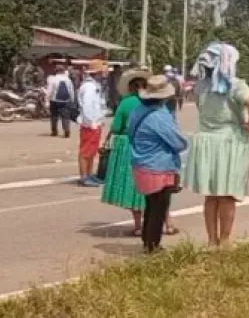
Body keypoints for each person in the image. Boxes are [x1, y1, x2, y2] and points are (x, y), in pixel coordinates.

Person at [185, 42, 249, 249]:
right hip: (228, 142)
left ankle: (212, 240)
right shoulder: (235, 85)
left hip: (206, 140)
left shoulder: (200, 86)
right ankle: (225, 240)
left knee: (211, 195)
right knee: (227, 194)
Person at [101, 68, 180, 237]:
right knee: (159, 195)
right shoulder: (160, 108)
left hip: (130, 147)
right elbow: (174, 135)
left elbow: (116, 127)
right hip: (159, 155)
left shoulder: (126, 103)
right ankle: (168, 223)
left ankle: (138, 226)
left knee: (134, 191)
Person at [128, 75, 188, 254]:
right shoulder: (159, 116)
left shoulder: (138, 110)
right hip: (159, 166)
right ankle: (153, 246)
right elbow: (178, 142)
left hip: (142, 163)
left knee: (150, 206)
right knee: (159, 209)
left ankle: (147, 241)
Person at [76, 59, 107, 187]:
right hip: (90, 124)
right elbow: (87, 107)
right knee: (86, 151)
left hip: (95, 123)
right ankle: (84, 176)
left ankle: (89, 174)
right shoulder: (89, 87)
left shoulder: (95, 85)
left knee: (92, 151)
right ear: (97, 72)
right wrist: (92, 122)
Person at [46, 65, 75, 138]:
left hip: (54, 101)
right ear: (63, 71)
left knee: (54, 116)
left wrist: (47, 100)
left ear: (56, 71)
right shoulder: (68, 80)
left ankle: (54, 131)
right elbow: (71, 90)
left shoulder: (53, 79)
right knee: (65, 116)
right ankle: (66, 130)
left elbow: (49, 91)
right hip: (65, 101)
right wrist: (72, 100)